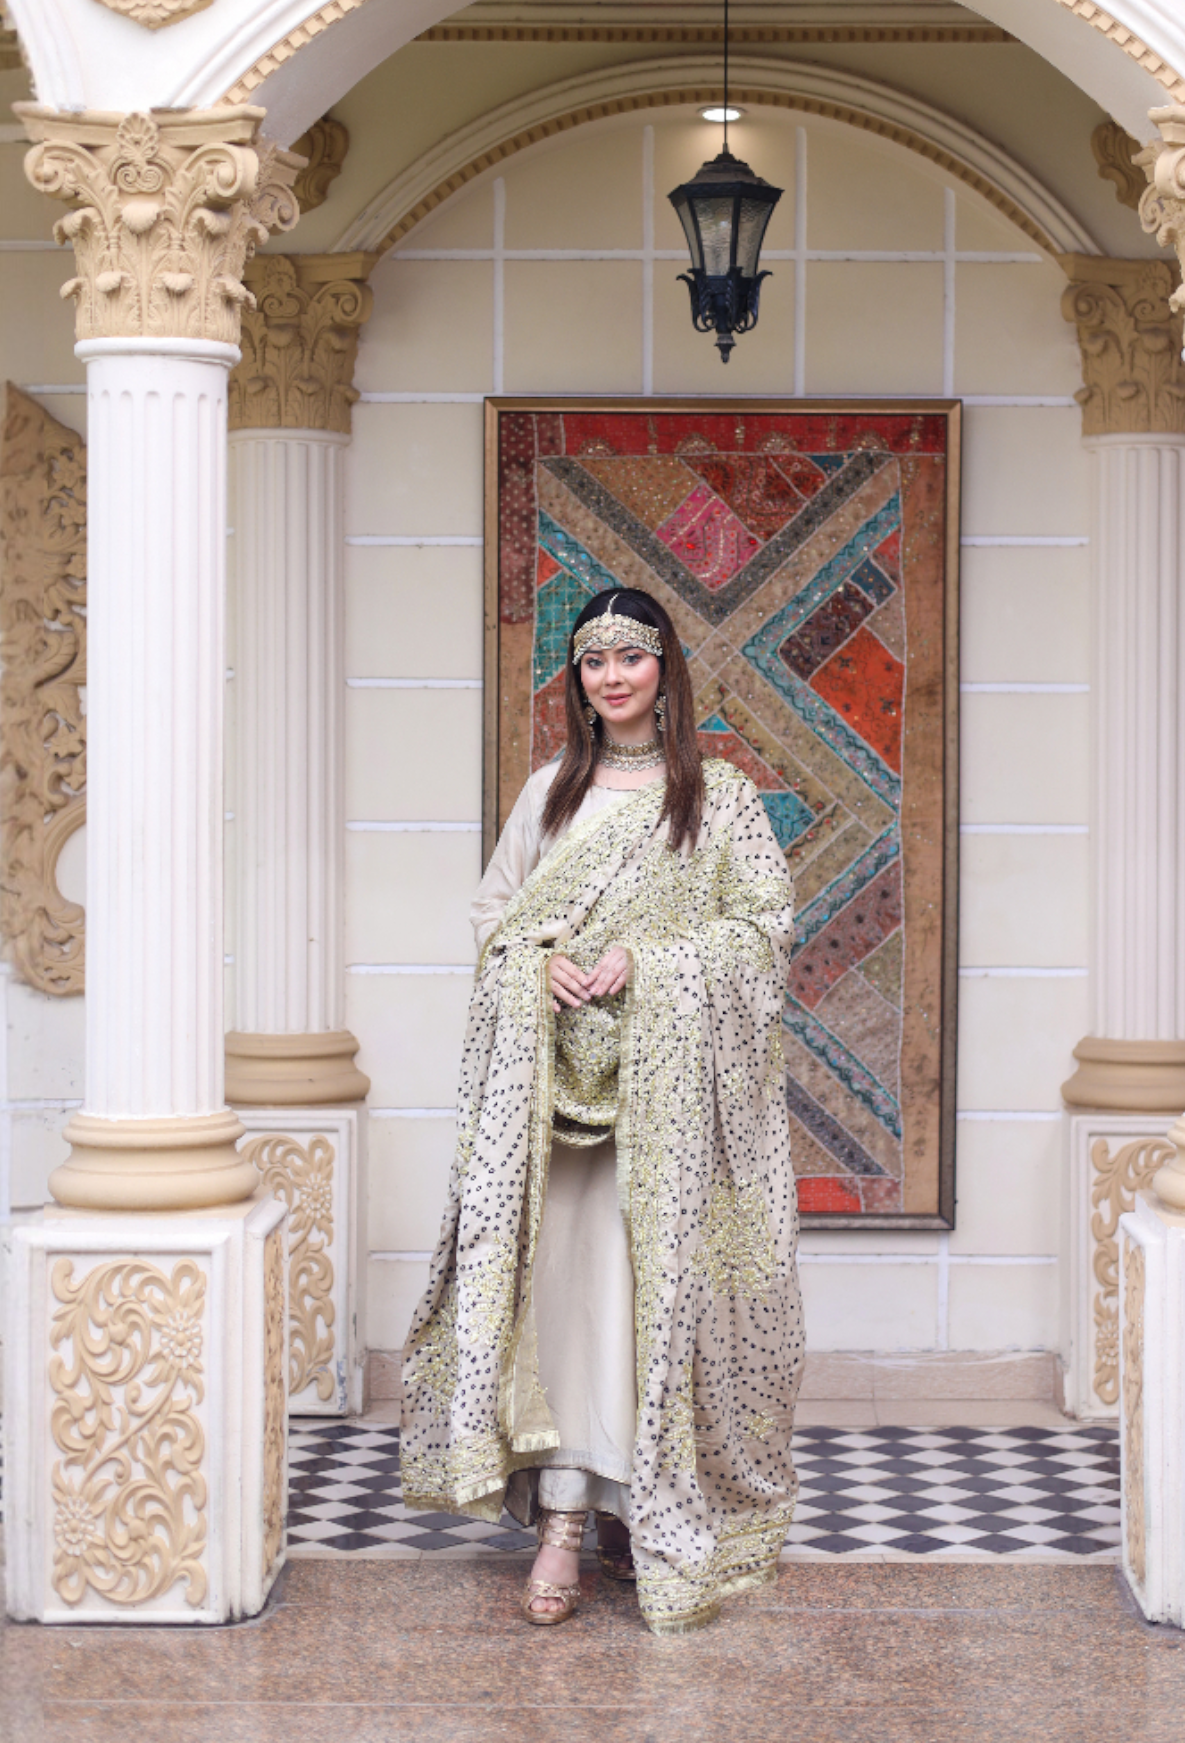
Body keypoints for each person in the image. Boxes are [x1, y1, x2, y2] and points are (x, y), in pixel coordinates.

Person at [399, 585, 804, 1634]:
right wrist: (543, 964)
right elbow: (495, 918)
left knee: (649, 1305)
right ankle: (565, 1522)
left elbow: (764, 934)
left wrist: (653, 962)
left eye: (630, 655)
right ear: (575, 678)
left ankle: (642, 1504)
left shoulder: (718, 799)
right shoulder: (549, 794)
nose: (612, 676)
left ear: (665, 667)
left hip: (664, 1112)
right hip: (553, 1108)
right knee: (568, 1307)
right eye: (592, 660)